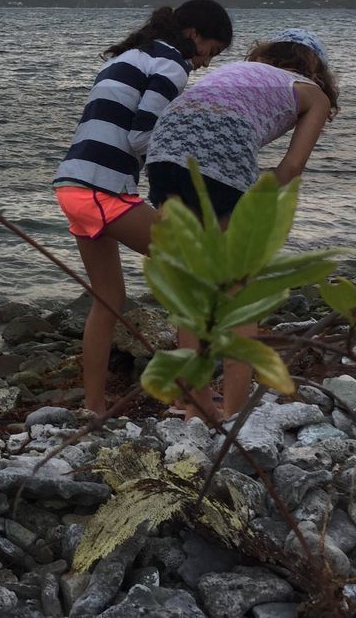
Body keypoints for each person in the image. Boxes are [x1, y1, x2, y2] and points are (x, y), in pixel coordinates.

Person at [146, 28, 339, 419]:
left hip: (163, 145)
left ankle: (193, 400)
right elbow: (292, 165)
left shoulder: (237, 71)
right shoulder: (312, 93)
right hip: (222, 148)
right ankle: (232, 408)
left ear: (266, 55)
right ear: (316, 69)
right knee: (239, 289)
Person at [53, 0, 234, 414]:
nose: (206, 62)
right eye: (212, 50)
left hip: (72, 183)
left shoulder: (131, 55)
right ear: (194, 35)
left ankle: (94, 408)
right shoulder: (172, 64)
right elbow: (142, 137)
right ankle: (193, 397)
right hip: (104, 187)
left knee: (108, 299)